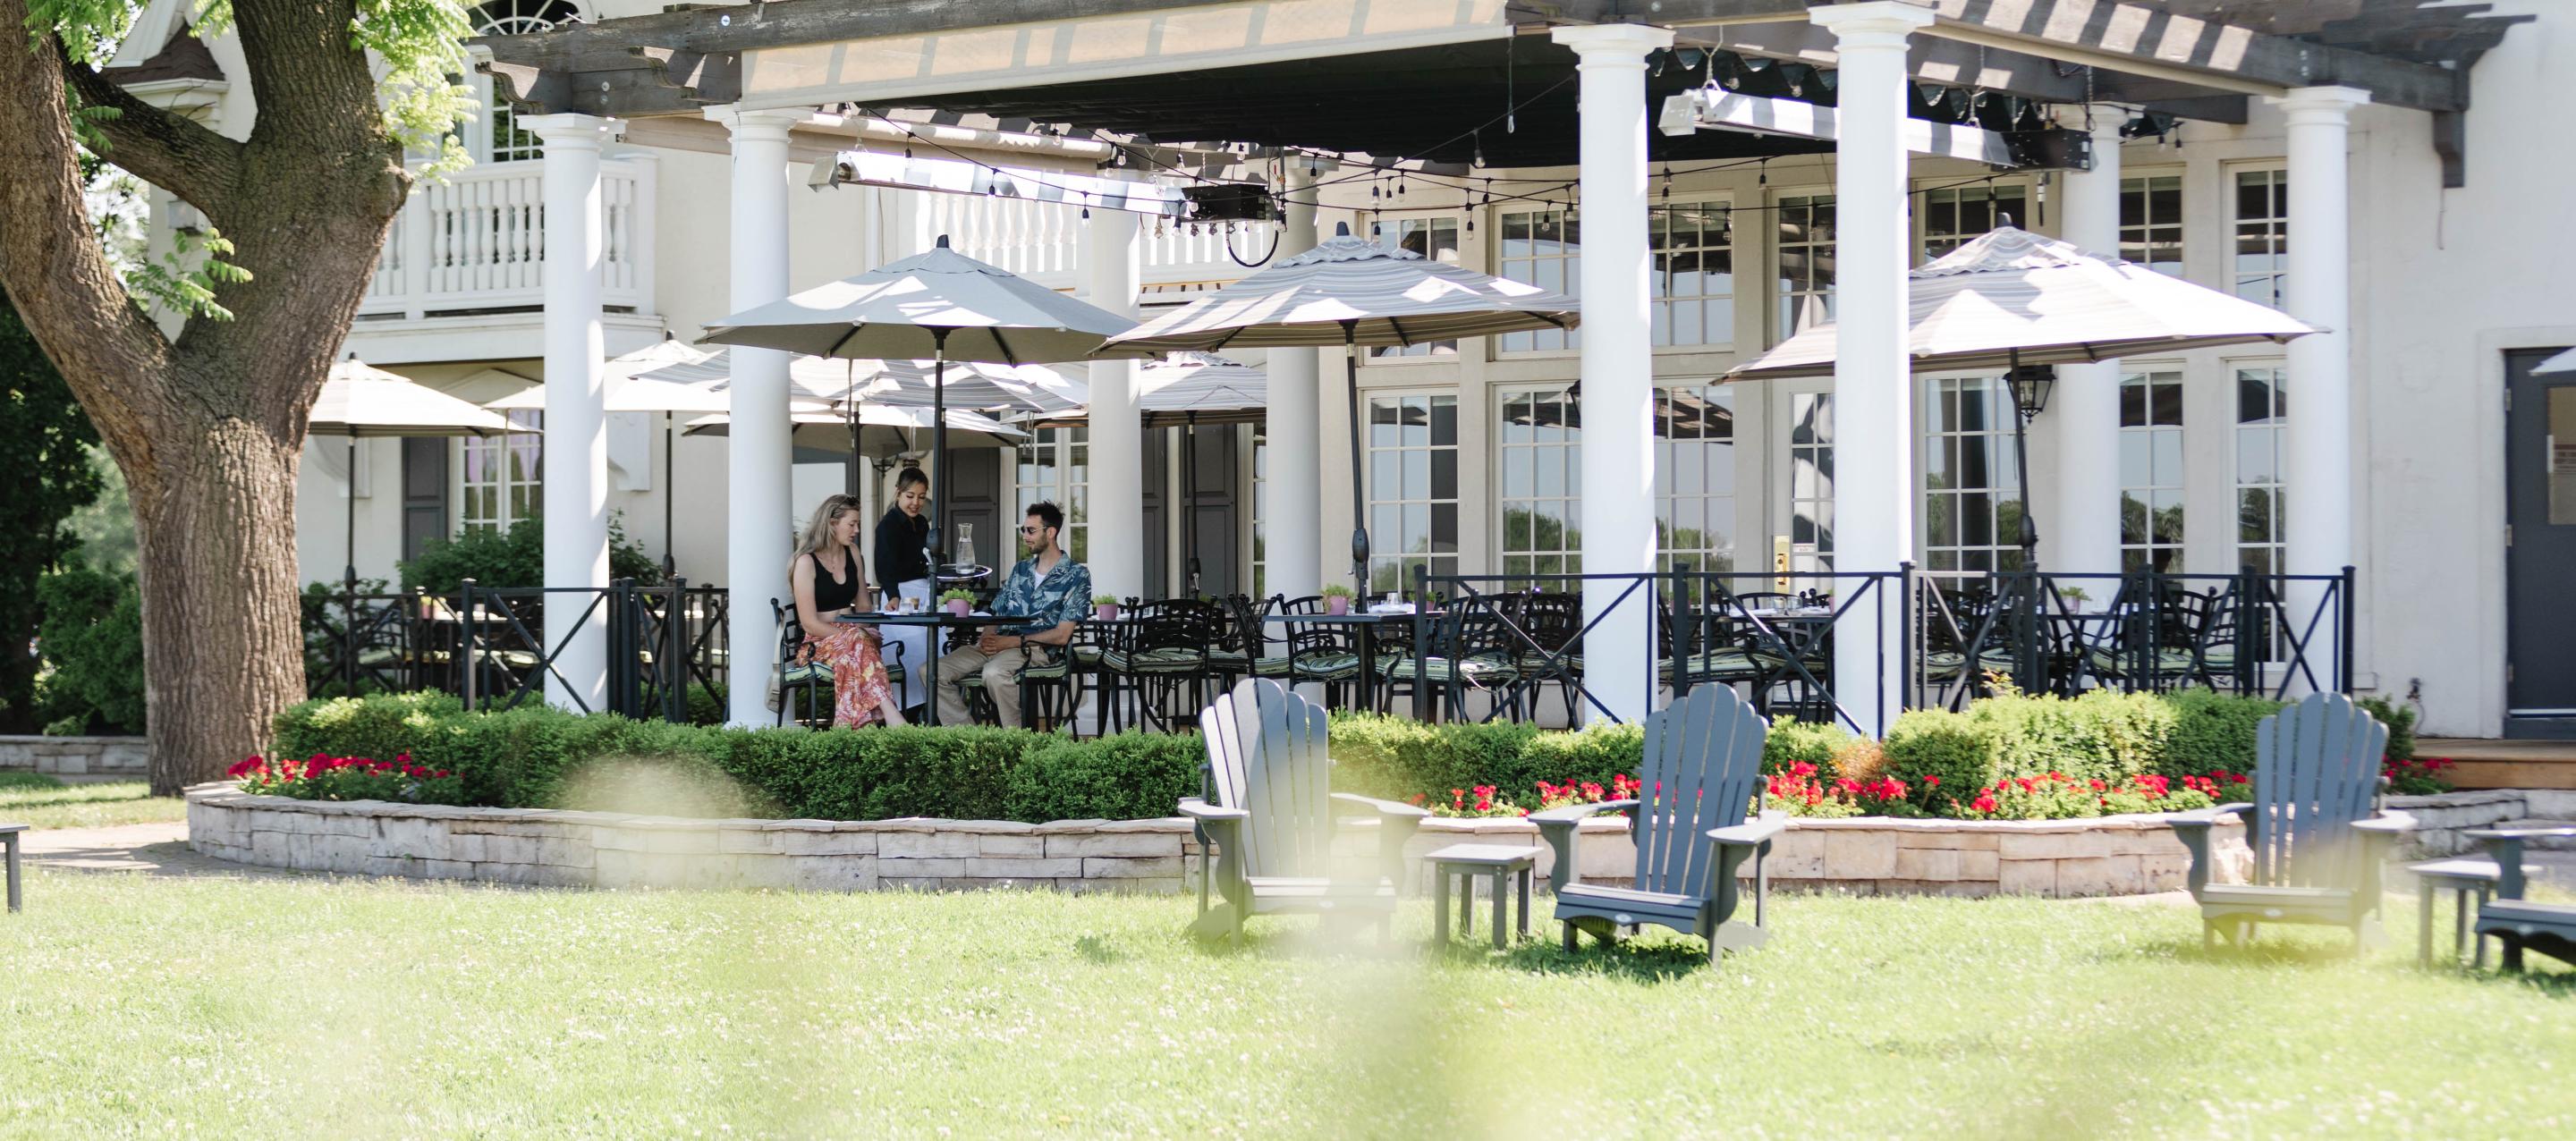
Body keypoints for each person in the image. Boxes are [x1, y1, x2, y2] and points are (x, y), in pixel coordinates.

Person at [935, 502, 1090, 728]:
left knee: (994, 673)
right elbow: (997, 611)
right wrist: (988, 637)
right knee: (932, 671)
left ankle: (1015, 738)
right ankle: (968, 736)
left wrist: (1012, 642)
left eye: (1031, 530)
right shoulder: (1020, 570)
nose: (1025, 536)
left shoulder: (1077, 575)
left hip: (1034, 649)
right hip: (997, 645)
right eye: (1023, 530)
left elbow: (1062, 635)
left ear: (1050, 532)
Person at [790, 494, 907, 728]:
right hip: (817, 643)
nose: (856, 530)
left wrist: (862, 630)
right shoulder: (806, 562)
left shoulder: (853, 553)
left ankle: (847, 728)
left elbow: (863, 605)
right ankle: (891, 714)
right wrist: (856, 634)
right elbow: (809, 623)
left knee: (852, 655)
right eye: (852, 524)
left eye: (858, 524)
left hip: (852, 640)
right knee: (856, 644)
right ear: (832, 523)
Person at [873, 467, 934, 712]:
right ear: (898, 492)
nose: (916, 502)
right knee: (910, 651)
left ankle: (931, 710)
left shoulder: (922, 524)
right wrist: (894, 596)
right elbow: (884, 567)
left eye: (921, 497)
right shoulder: (887, 526)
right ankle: (907, 714)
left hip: (922, 593)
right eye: (910, 496)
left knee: (932, 647)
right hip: (900, 595)